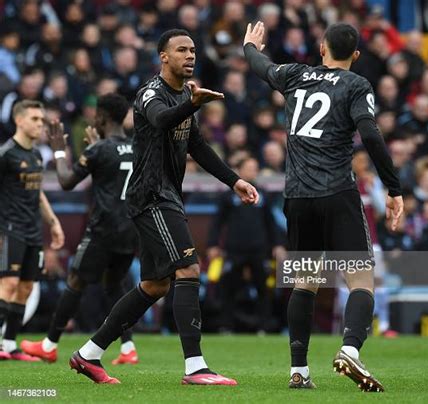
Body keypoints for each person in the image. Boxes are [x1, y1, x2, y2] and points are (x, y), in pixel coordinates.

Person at [70, 29, 259, 385]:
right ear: (163, 57)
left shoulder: (183, 96)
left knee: (156, 286)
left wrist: (234, 180)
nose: (190, 55)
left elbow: (197, 146)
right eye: (181, 50)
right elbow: (160, 120)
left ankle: (89, 354)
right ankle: (195, 367)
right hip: (151, 195)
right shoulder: (150, 94)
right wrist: (192, 104)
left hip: (166, 195)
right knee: (188, 270)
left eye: (193, 49)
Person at [243, 22, 403, 392]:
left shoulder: (296, 75)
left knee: (305, 282)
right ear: (356, 55)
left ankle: (298, 371)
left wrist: (250, 46)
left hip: (297, 197)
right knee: (361, 279)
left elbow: (260, 66)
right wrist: (394, 187)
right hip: (337, 194)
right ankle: (350, 348)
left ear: (320, 48)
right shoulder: (356, 85)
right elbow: (371, 136)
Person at [21, 94, 139, 365]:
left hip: (103, 229)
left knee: (75, 281)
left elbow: (65, 181)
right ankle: (128, 348)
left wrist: (59, 149)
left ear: (102, 117)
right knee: (116, 285)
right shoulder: (135, 147)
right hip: (130, 229)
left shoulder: (98, 150)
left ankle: (49, 345)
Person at [0, 100, 65, 361]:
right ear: (19, 120)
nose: (41, 124)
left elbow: (38, 193)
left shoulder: (36, 155)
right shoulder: (6, 155)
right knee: (8, 283)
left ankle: (10, 344)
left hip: (32, 231)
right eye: (35, 119)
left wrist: (53, 222)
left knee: (26, 287)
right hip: (8, 229)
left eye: (42, 119)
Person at [207, 156, 285, 332]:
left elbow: (271, 223)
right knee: (228, 287)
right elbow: (217, 222)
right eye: (249, 167)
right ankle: (226, 325)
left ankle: (264, 327)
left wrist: (277, 244)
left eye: (255, 168)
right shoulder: (228, 196)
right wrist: (213, 244)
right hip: (234, 249)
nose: (252, 171)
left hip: (259, 249)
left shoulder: (263, 195)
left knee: (263, 289)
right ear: (240, 171)